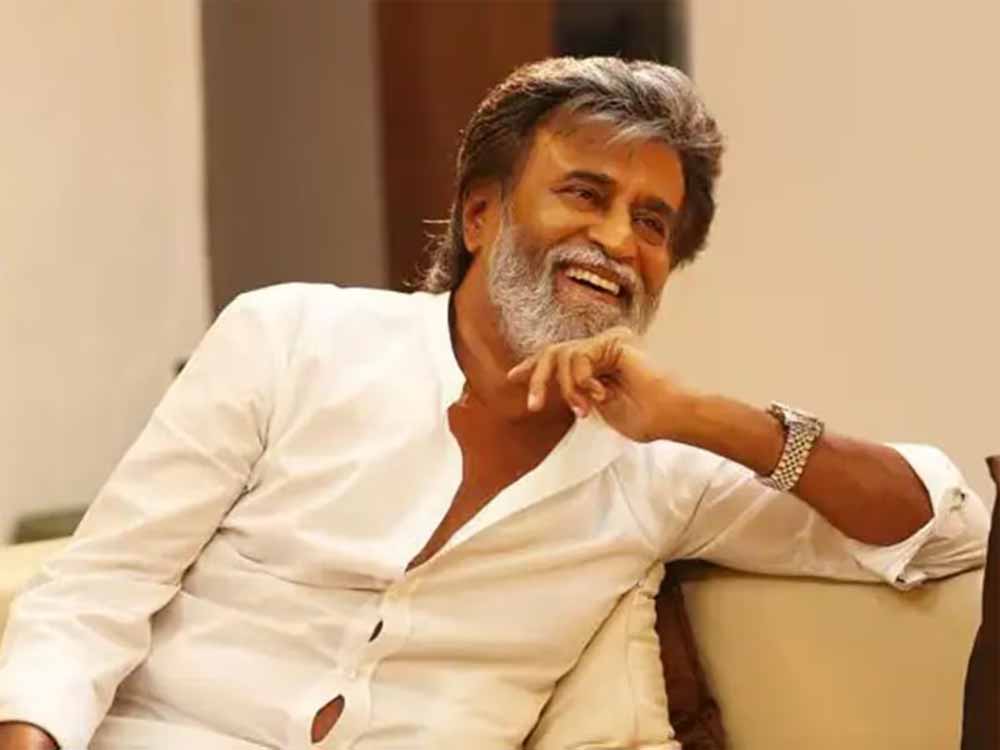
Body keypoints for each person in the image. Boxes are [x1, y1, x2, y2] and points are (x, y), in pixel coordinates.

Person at [0, 57, 988, 750]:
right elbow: (93, 598)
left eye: (652, 223)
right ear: (481, 214)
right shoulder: (289, 337)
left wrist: (704, 418)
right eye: (584, 194)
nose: (617, 239)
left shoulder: (665, 470)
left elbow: (944, 529)